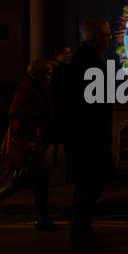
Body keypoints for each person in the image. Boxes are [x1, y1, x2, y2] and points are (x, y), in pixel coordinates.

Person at [0, 60, 60, 231]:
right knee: (27, 180)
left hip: (35, 144)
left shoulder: (39, 90)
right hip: (29, 145)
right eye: (47, 73)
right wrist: (35, 122)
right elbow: (14, 113)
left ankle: (41, 218)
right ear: (38, 75)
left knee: (32, 180)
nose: (50, 77)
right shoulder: (26, 91)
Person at [67, 18, 115, 250]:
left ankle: (82, 230)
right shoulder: (88, 63)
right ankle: (80, 235)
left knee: (90, 184)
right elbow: (90, 105)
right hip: (89, 138)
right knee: (88, 186)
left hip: (87, 136)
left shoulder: (86, 59)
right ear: (97, 38)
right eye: (107, 35)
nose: (109, 39)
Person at [50, 42, 72, 176]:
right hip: (63, 111)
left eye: (70, 53)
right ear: (58, 55)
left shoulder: (59, 69)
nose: (69, 55)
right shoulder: (60, 71)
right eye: (66, 53)